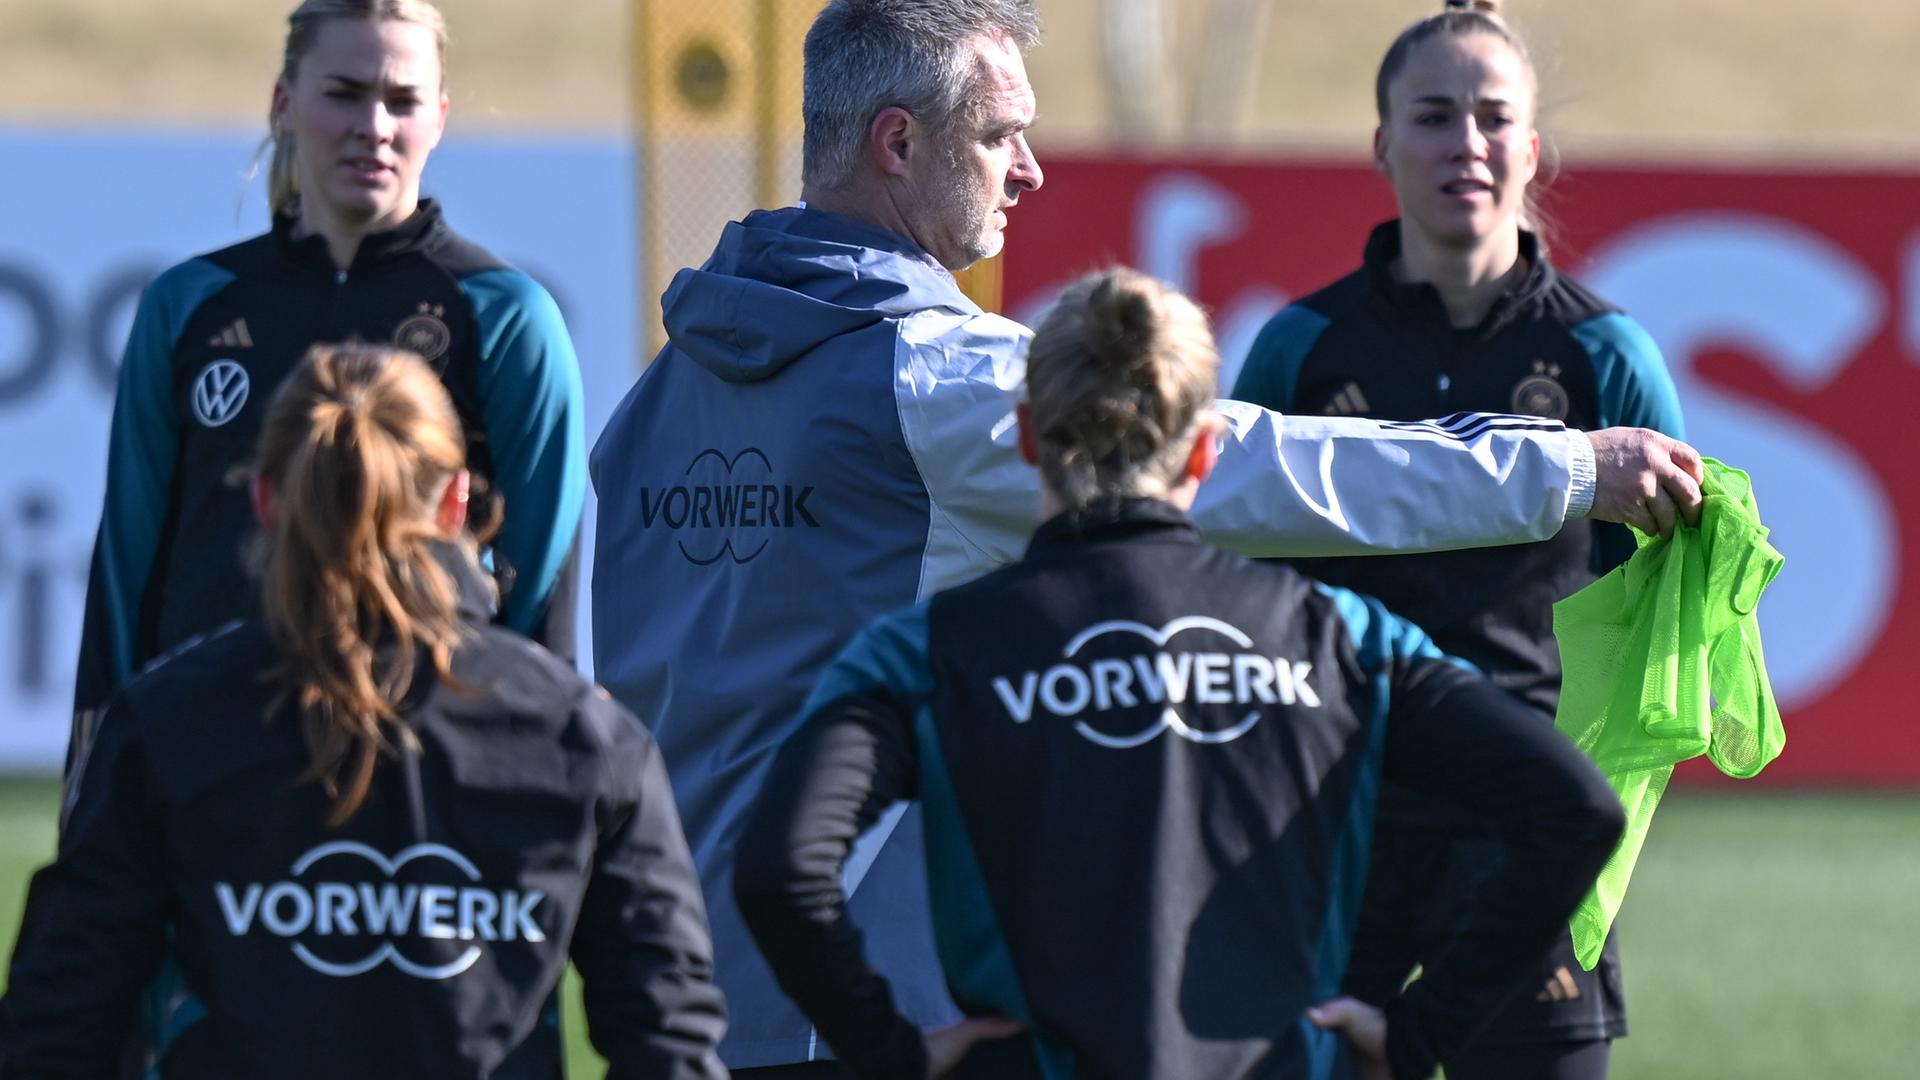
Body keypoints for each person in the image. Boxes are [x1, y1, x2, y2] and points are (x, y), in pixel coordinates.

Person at [588, 0, 1698, 1070]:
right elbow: (1272, 466)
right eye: (1001, 136)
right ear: (896, 142)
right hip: (876, 997)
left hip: (680, 987)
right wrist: (1560, 466)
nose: (1029, 169)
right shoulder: (928, 379)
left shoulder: (660, 390)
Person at [731, 266, 1627, 1080]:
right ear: (1205, 449)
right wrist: (1417, 1034)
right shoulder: (1344, 637)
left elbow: (778, 870)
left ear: (1028, 438)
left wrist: (890, 1053)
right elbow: (1576, 808)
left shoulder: (923, 650)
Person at [0, 344, 724, 1079]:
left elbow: (58, 1019)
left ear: (264, 500)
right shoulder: (580, 736)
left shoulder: (171, 720)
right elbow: (669, 1039)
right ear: (457, 502)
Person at [1231, 4, 1681, 1075]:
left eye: (1493, 118)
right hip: (1334, 827)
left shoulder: (1606, 357)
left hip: (1527, 832)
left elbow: (1661, 601)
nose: (1465, 145)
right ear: (1382, 144)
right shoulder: (1301, 351)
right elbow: (1227, 570)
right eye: (1433, 117)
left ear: (1532, 148)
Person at [72, 0, 586, 773]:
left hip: (421, 770)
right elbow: (128, 573)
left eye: (403, 100)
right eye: (344, 92)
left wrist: (533, 777)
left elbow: (542, 592)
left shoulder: (507, 317)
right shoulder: (190, 308)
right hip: (212, 763)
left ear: (439, 118)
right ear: (284, 104)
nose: (374, 125)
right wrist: (95, 767)